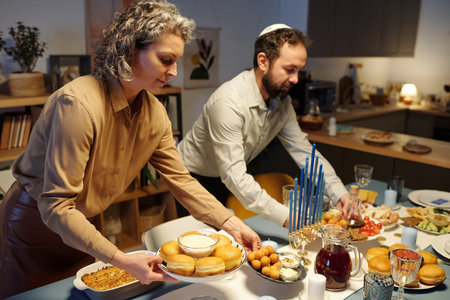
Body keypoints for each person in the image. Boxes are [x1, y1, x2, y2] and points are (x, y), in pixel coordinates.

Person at [0, 1, 260, 298]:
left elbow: (182, 181)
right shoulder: (78, 105)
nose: (174, 72)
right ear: (129, 51)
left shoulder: (154, 112)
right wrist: (121, 259)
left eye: (176, 62)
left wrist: (231, 223)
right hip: (36, 228)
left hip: (84, 226)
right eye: (165, 60)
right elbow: (56, 206)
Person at [177, 24, 350, 227]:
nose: (295, 79)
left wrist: (338, 191)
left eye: (299, 70)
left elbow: (305, 153)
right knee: (202, 246)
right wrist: (285, 216)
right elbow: (235, 176)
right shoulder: (228, 103)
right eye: (289, 70)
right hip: (194, 177)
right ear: (263, 61)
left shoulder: (282, 104)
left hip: (229, 176)